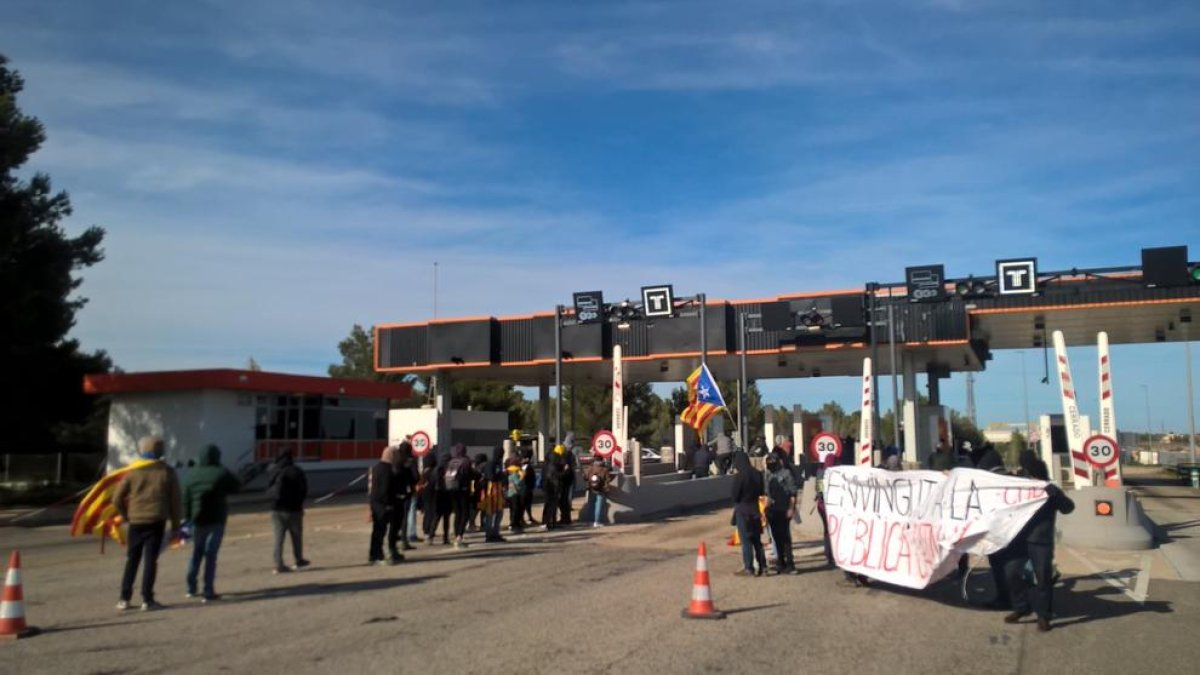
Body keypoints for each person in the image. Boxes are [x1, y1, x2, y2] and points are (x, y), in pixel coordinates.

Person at [1004, 451, 1075, 632]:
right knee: (1012, 573)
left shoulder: (1050, 490)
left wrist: (1055, 496)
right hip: (1018, 539)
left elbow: (1068, 508)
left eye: (1033, 475)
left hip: (1041, 541)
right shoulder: (1019, 486)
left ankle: (1044, 616)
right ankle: (1021, 607)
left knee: (1043, 578)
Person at [113, 436, 181, 611]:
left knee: (132, 559)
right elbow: (175, 502)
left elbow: (117, 498)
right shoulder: (167, 472)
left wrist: (125, 515)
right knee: (151, 560)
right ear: (160, 451)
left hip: (136, 521)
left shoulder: (133, 472)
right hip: (156, 520)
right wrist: (175, 526)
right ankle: (147, 599)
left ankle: (124, 598)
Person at [182, 444, 240, 602]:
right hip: (216, 518)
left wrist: (186, 518)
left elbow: (185, 498)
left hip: (197, 519)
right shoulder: (221, 472)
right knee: (211, 554)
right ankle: (208, 590)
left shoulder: (191, 475)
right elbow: (237, 486)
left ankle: (191, 587)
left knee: (196, 553)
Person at [267, 451, 310, 574]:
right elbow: (304, 489)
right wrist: (300, 503)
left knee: (278, 538)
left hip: (276, 509)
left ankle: (279, 564)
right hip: (294, 509)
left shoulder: (273, 470)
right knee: (296, 536)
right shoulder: (296, 471)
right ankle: (298, 559)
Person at [730, 451, 768, 576]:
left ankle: (749, 567)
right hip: (755, 509)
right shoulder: (757, 474)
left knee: (746, 541)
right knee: (757, 540)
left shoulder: (740, 476)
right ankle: (763, 566)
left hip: (743, 510)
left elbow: (735, 495)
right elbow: (762, 491)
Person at [367, 445, 402, 565]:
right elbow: (386, 488)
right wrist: (389, 504)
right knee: (380, 531)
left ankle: (373, 554)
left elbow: (371, 488)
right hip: (383, 505)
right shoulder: (388, 470)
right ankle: (377, 555)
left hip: (375, 503)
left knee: (376, 531)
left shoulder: (375, 467)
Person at [764, 454, 797, 574]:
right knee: (776, 538)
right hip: (773, 510)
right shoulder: (768, 474)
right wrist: (766, 509)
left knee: (786, 538)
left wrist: (791, 508)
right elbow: (767, 494)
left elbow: (793, 493)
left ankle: (790, 564)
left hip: (784, 509)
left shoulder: (786, 474)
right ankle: (781, 563)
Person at [443, 444, 474, 549]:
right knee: (465, 513)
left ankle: (456, 535)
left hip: (452, 489)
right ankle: (460, 536)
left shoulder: (451, 462)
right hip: (463, 490)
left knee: (457, 513)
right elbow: (471, 475)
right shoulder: (466, 461)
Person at [394, 442, 418, 549]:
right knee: (405, 515)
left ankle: (394, 538)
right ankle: (404, 540)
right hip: (406, 491)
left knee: (396, 516)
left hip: (395, 492)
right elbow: (415, 476)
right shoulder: (410, 461)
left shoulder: (395, 460)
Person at [479, 447, 506, 542]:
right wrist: (502, 475)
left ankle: (495, 533)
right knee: (490, 514)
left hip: (498, 491)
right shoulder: (490, 464)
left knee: (499, 513)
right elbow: (491, 477)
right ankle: (489, 534)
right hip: (490, 491)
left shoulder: (499, 463)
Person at [541, 445, 564, 529]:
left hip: (547, 486)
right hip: (553, 487)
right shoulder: (554, 465)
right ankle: (550, 522)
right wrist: (565, 471)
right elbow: (556, 476)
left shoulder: (547, 463)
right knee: (552, 505)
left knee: (547, 505)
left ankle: (546, 522)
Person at [584, 457, 611, 527]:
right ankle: (596, 522)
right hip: (600, 489)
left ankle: (589, 521)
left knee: (591, 505)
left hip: (591, 489)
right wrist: (606, 488)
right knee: (598, 505)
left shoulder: (590, 468)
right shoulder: (604, 469)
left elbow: (585, 477)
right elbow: (608, 480)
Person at [558, 445, 577, 526]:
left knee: (563, 502)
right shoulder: (570, 460)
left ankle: (565, 518)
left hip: (564, 483)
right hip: (568, 482)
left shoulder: (565, 461)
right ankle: (566, 518)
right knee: (565, 502)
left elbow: (564, 473)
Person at [520, 448, 539, 526]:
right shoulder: (526, 467)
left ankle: (529, 517)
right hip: (526, 487)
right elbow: (524, 476)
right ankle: (522, 518)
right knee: (524, 503)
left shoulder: (524, 466)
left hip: (527, 487)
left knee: (527, 504)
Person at [506, 457, 525, 531]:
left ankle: (515, 523)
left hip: (512, 493)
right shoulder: (514, 473)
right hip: (515, 493)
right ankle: (514, 524)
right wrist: (522, 477)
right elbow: (517, 483)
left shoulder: (510, 472)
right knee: (516, 509)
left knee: (514, 509)